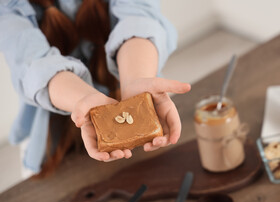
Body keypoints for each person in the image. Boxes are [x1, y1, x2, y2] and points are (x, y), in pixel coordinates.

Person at [0, 0, 191, 177]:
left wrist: (137, 79)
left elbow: (139, 15)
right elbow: (31, 62)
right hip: (50, 136)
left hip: (139, 125)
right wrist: (84, 101)